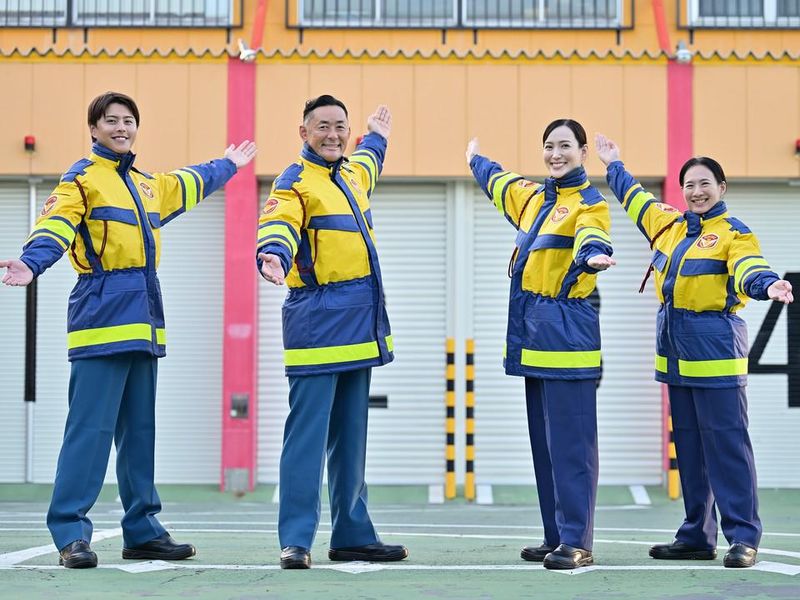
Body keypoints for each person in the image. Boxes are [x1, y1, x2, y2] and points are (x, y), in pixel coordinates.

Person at [0, 91, 257, 569]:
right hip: (100, 317)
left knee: (139, 432)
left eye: (128, 120)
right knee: (89, 431)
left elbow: (189, 182)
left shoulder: (146, 185)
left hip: (144, 318)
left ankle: (143, 530)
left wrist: (227, 165)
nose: (121, 127)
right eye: (111, 120)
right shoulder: (81, 179)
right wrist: (32, 264)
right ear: (93, 129)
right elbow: (55, 226)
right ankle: (70, 533)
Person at [595, 134, 793, 568]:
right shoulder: (669, 226)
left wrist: (767, 285)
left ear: (721, 187)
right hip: (675, 355)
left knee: (727, 447)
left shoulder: (734, 232)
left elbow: (749, 266)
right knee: (689, 449)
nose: (697, 191)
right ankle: (697, 536)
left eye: (705, 183)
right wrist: (614, 164)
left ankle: (743, 537)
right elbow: (636, 200)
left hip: (715, 350)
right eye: (689, 185)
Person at [257, 94, 408, 570]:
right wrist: (273, 254)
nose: (333, 135)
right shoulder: (294, 182)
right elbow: (279, 223)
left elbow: (369, 161)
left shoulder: (352, 174)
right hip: (316, 321)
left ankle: (352, 535)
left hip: (359, 321)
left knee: (351, 436)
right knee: (307, 437)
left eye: (340, 126)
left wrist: (377, 137)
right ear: (304, 133)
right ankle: (295, 539)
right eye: (322, 126)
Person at [466, 119, 615, 570]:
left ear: (583, 152)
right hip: (535, 339)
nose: (555, 154)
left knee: (572, 446)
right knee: (546, 446)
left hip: (568, 337)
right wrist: (475, 160)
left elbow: (592, 234)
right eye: (549, 146)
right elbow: (501, 184)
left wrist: (593, 256)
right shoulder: (534, 198)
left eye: (565, 146)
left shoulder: (589, 203)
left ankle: (577, 541)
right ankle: (556, 535)